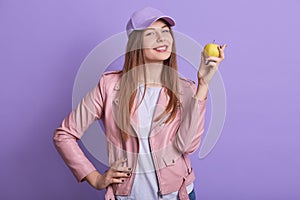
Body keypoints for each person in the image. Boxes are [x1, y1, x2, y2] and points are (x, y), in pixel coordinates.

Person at [53, 7, 226, 200]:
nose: (162, 38)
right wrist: (95, 178)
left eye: (166, 32)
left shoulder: (185, 89)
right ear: (135, 43)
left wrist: (203, 85)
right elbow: (64, 135)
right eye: (151, 33)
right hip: (129, 196)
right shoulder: (109, 86)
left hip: (178, 195)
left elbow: (187, 146)